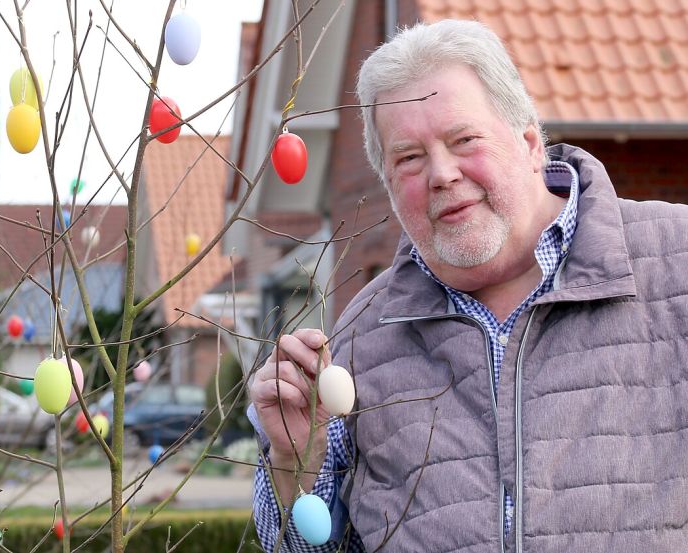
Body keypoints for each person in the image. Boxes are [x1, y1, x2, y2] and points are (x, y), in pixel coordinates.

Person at [249, 18, 688, 552]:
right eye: (408, 158)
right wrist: (297, 462)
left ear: (529, 143)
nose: (441, 173)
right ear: (388, 185)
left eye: (463, 140)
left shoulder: (675, 268)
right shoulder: (363, 335)